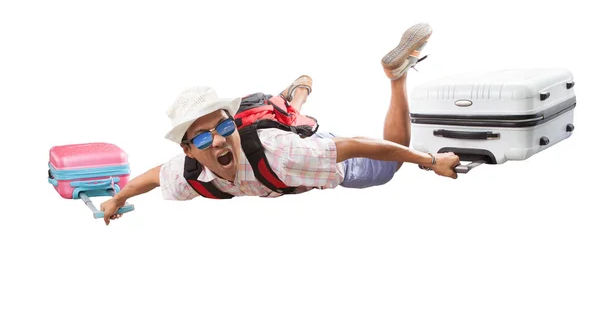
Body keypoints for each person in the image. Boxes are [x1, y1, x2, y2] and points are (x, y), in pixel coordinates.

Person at [100, 23, 461, 225]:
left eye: (225, 129)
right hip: (282, 139)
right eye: (204, 139)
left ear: (233, 125)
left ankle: (396, 77)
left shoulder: (286, 155)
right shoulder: (188, 173)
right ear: (187, 149)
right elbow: (152, 177)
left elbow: (354, 144)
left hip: (318, 152)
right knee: (287, 115)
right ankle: (294, 94)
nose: (220, 142)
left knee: (388, 169)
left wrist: (431, 162)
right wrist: (116, 199)